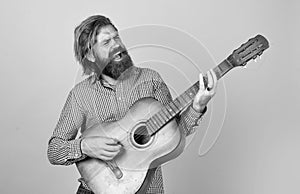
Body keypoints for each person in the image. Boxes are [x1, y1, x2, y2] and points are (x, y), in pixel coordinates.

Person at [47, 15, 218, 194]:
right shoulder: (80, 95)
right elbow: (54, 151)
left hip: (148, 189)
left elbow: (176, 133)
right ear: (90, 55)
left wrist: (197, 107)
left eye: (117, 37)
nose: (117, 45)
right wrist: (84, 146)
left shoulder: (151, 80)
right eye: (106, 42)